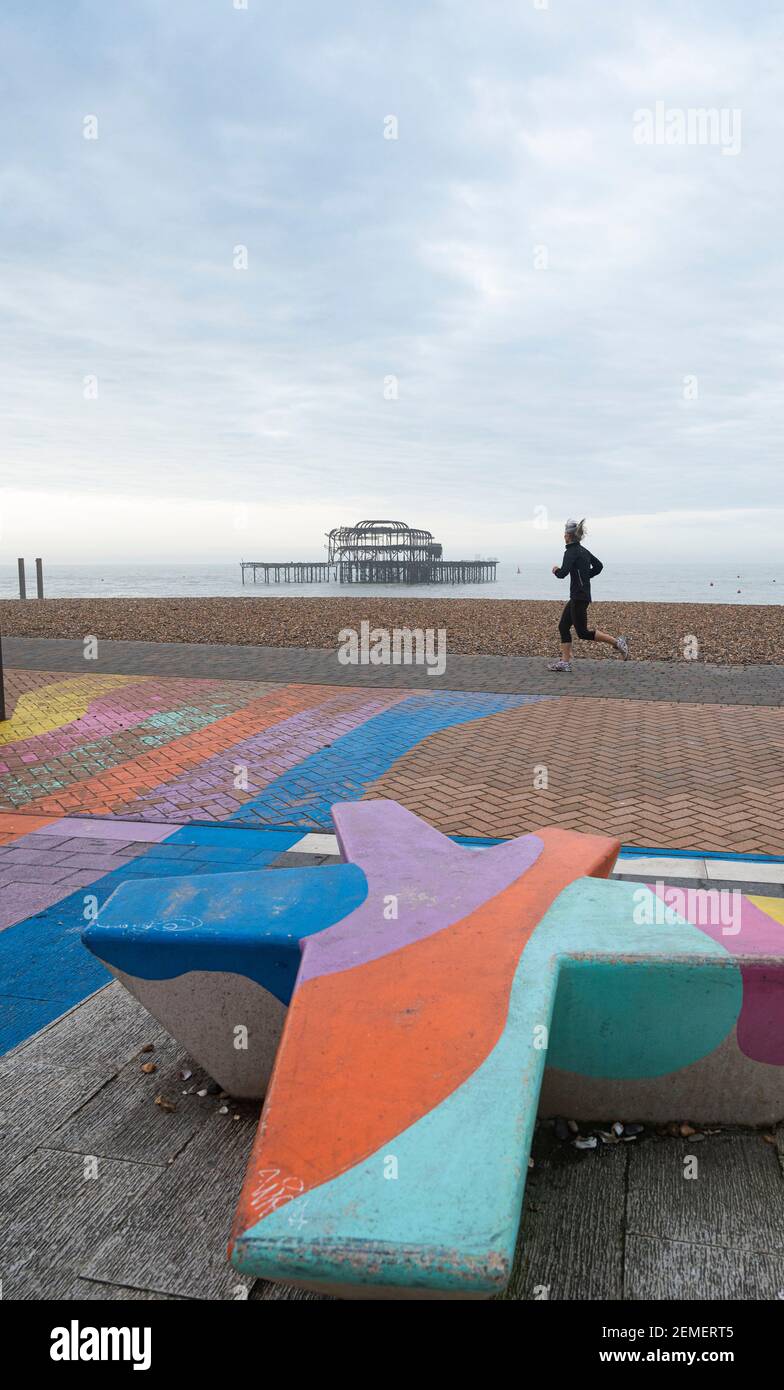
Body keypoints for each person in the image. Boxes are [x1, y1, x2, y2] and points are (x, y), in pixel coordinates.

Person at [548, 518, 629, 672]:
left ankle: (617, 642)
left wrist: (555, 570)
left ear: (569, 535)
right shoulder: (584, 551)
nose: (563, 535)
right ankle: (565, 662)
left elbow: (563, 574)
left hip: (579, 597)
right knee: (563, 626)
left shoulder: (571, 552)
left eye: (565, 533)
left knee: (583, 633)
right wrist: (586, 576)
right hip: (579, 596)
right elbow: (599, 566)